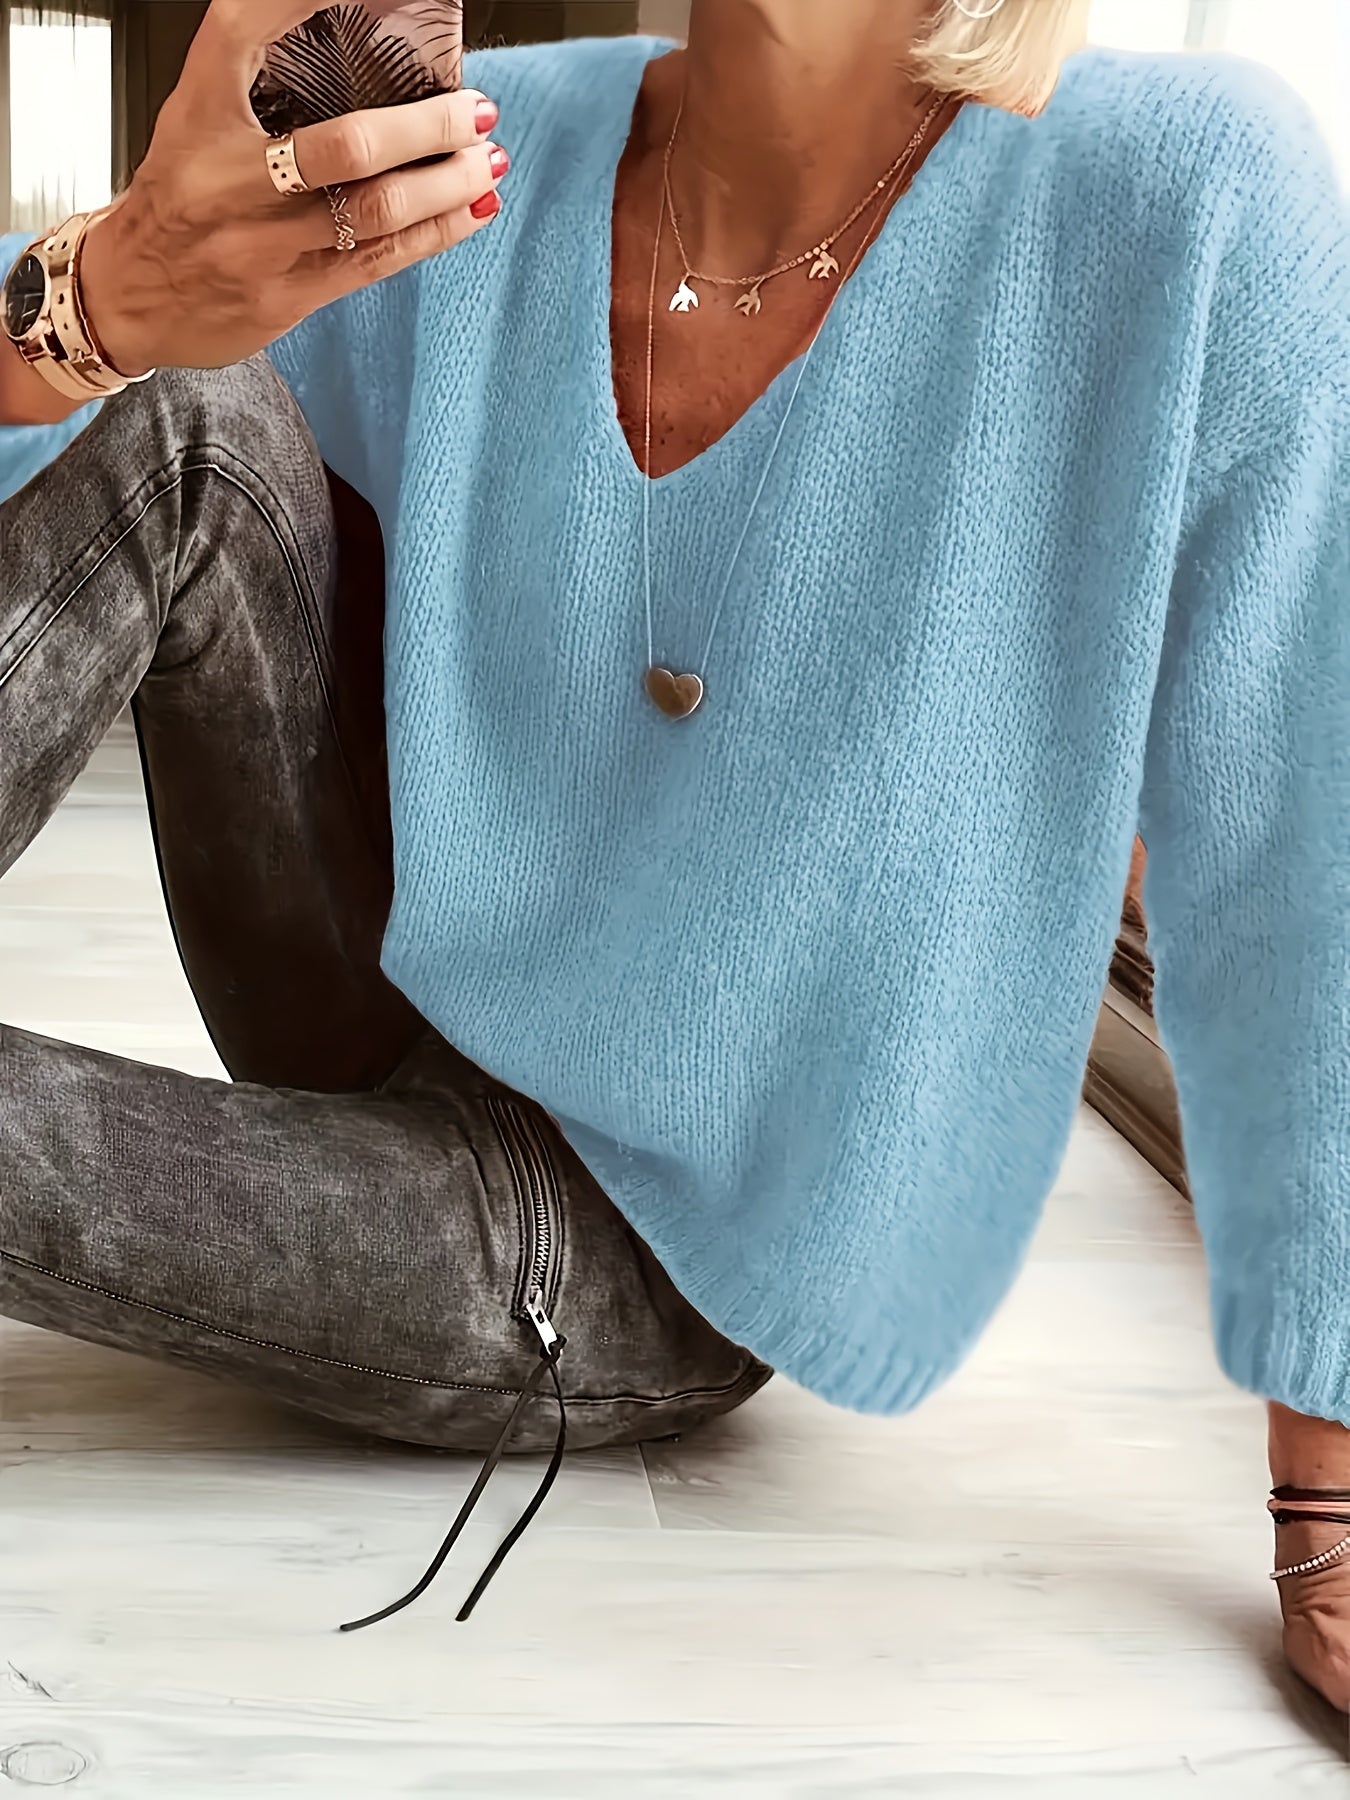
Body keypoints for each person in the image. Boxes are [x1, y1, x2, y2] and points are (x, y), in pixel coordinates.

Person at [0, 0, 1346, 1699]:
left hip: (649, 1249)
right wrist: (102, 297)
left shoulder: (1189, 194)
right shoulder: (474, 146)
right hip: (378, 980)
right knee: (175, 406)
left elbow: (1294, 849)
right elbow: (88, 419)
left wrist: (1327, 1493)